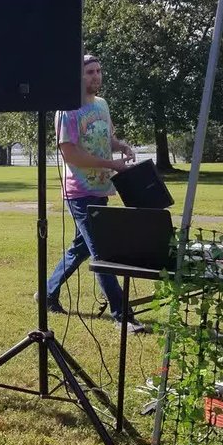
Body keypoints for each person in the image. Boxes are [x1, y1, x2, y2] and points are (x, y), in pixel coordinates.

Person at [44, 54, 144, 332]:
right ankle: (122, 315)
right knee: (102, 251)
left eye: (99, 71)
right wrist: (110, 164)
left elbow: (103, 138)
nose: (96, 76)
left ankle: (47, 293)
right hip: (80, 192)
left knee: (81, 248)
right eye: (89, 72)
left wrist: (120, 145)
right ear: (77, 77)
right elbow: (71, 153)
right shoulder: (67, 110)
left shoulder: (102, 105)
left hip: (102, 188)